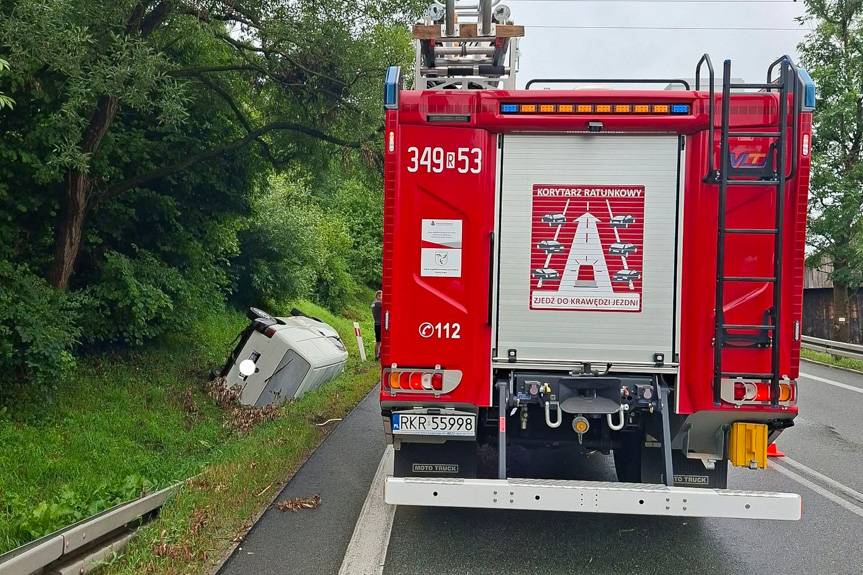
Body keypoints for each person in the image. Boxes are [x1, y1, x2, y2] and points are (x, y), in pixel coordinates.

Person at [371, 290, 383, 360]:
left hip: (376, 324)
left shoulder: (373, 303)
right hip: (381, 324)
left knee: (378, 341)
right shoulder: (378, 303)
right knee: (381, 341)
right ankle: (380, 355)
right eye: (382, 296)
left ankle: (376, 356)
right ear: (378, 296)